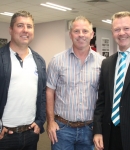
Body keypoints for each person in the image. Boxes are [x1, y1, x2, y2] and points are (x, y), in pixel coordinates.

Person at [93, 11, 130, 150]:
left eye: (126, 28)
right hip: (109, 135)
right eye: (117, 29)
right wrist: (98, 130)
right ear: (112, 32)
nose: (121, 33)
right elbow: (102, 101)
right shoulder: (107, 63)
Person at [46, 16, 105, 150]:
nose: (81, 35)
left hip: (90, 129)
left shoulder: (102, 62)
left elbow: (103, 98)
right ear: (70, 34)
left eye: (85, 31)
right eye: (76, 31)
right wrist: (50, 122)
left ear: (92, 34)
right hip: (62, 129)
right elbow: (49, 90)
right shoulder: (57, 60)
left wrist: (100, 128)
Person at [0, 11, 46, 150]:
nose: (25, 30)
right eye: (20, 25)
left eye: (29, 26)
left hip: (31, 134)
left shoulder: (39, 61)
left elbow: (42, 94)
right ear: (11, 30)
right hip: (5, 136)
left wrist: (40, 121)